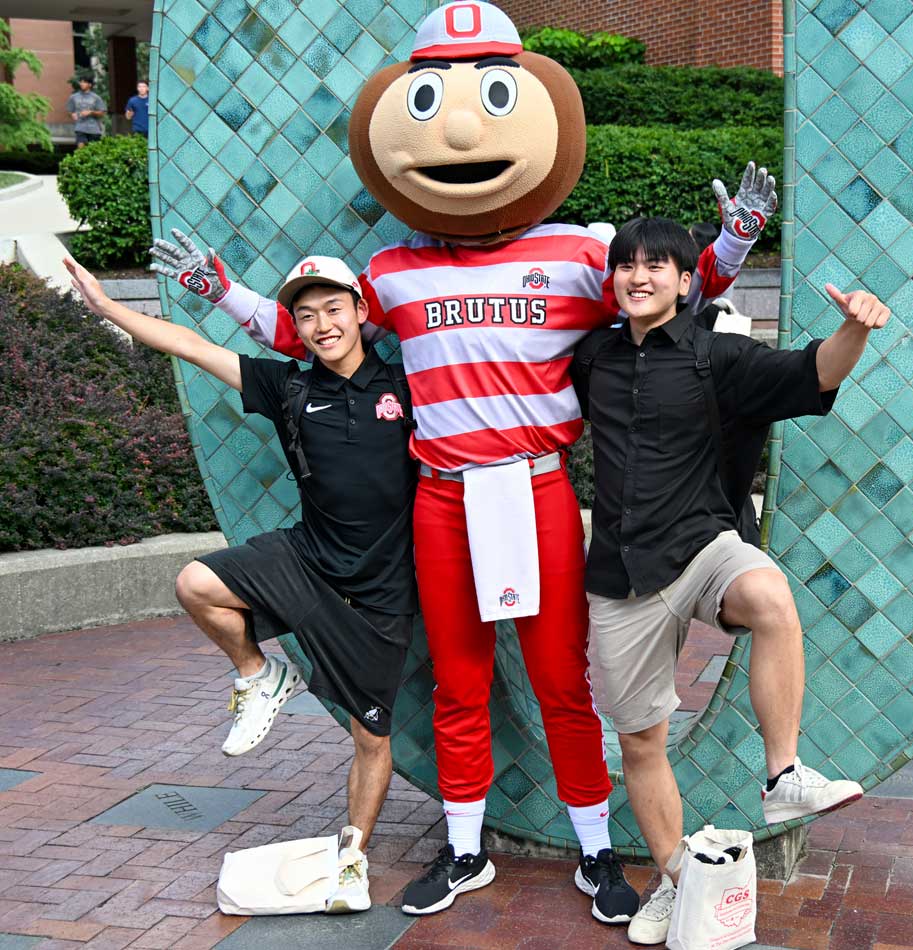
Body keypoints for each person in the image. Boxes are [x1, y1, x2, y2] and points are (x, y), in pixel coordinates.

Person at [149, 2, 776, 926]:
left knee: (561, 676)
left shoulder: (578, 251)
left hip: (534, 487)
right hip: (443, 496)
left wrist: (732, 243)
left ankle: (598, 852)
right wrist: (224, 291)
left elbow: (661, 295)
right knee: (457, 675)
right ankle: (467, 846)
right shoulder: (393, 268)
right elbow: (309, 334)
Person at [64, 253, 419, 914]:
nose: (321, 324)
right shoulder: (286, 387)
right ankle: (260, 672)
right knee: (196, 583)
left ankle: (351, 856)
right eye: (306, 314)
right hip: (308, 560)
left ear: (361, 311)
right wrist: (108, 308)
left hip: (383, 593)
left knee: (371, 737)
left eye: (333, 308)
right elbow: (193, 347)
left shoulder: (409, 385)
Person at [572, 217, 883, 946]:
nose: (638, 276)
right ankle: (677, 884)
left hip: (704, 544)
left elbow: (816, 372)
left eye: (657, 266)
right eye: (627, 265)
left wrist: (856, 329)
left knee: (771, 596)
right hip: (620, 575)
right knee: (642, 742)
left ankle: (783, 779)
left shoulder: (722, 358)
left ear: (687, 282)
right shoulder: (592, 358)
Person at [66, 77, 106, 147]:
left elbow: (102, 113)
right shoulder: (73, 97)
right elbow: (70, 111)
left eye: (84, 82)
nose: (81, 84)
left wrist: (91, 112)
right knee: (81, 149)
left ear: (90, 85)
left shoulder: (96, 98)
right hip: (80, 127)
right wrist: (72, 114)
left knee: (94, 151)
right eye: (81, 82)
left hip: (94, 129)